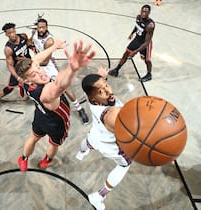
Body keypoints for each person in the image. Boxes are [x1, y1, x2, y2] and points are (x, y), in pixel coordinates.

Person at [16, 39, 96, 171]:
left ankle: (23, 158)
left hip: (40, 117)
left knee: (33, 137)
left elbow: (36, 60)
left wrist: (54, 47)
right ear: (29, 81)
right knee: (54, 145)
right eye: (34, 74)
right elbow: (60, 85)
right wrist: (72, 69)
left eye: (39, 68)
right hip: (57, 123)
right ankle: (46, 159)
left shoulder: (26, 81)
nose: (41, 73)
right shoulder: (45, 94)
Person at [76, 67, 132, 210]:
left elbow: (91, 87)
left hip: (97, 134)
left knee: (88, 142)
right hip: (113, 147)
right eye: (101, 91)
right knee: (124, 166)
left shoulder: (91, 97)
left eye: (106, 85)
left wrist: (100, 77)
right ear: (92, 97)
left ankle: (81, 152)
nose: (108, 91)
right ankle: (99, 196)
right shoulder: (111, 115)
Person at [30, 18, 90, 124]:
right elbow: (31, 41)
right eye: (39, 27)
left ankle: (80, 109)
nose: (41, 29)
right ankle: (48, 109)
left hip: (48, 66)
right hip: (39, 64)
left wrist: (34, 62)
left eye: (43, 27)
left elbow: (45, 61)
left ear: (47, 27)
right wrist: (32, 48)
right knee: (43, 89)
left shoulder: (49, 41)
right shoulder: (34, 33)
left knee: (65, 88)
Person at [108, 4, 155, 82]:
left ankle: (149, 74)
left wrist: (135, 52)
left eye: (146, 12)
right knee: (126, 54)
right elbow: (137, 26)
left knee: (147, 60)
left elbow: (146, 42)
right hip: (137, 40)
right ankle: (116, 70)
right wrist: (132, 33)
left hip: (146, 44)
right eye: (142, 11)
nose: (143, 13)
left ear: (149, 13)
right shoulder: (138, 17)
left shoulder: (150, 25)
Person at [0, 23, 32, 111]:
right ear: (6, 34)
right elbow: (10, 66)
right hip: (18, 69)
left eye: (13, 32)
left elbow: (28, 43)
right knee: (10, 88)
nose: (12, 34)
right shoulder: (8, 49)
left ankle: (23, 87)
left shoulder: (23, 36)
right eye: (9, 33)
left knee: (34, 79)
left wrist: (32, 43)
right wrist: (18, 78)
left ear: (15, 31)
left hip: (29, 63)